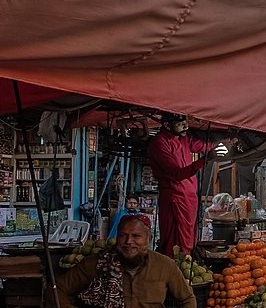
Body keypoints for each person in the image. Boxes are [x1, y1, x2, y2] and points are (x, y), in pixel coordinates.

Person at [57, 215, 194, 308]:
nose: (129, 242)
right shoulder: (98, 262)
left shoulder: (165, 265)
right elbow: (57, 289)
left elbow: (187, 299)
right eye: (123, 236)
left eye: (136, 236)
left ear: (149, 239)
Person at [146, 114, 212, 255]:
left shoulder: (184, 139)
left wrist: (226, 143)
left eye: (185, 123)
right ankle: (175, 266)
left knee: (189, 236)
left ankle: (188, 260)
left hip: (190, 196)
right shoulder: (159, 143)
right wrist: (205, 160)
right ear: (167, 125)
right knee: (175, 239)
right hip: (174, 196)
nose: (186, 126)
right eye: (180, 124)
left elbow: (204, 146)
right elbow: (176, 174)